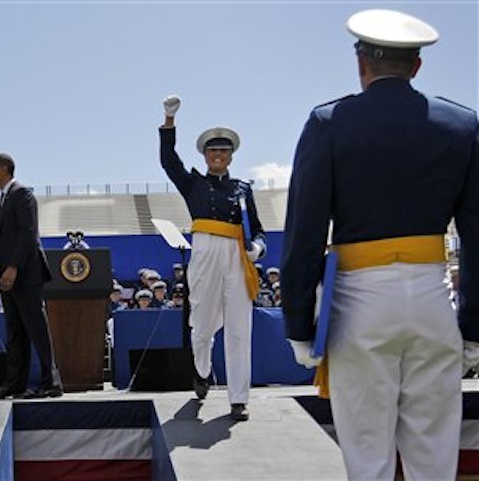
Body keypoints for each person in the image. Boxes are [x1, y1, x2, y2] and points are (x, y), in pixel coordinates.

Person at [280, 9, 479, 479]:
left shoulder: (329, 123)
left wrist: (298, 322)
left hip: (360, 300)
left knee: (367, 453)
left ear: (361, 64)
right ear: (417, 66)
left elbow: (304, 231)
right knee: (434, 453)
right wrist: (473, 325)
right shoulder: (463, 126)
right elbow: (475, 234)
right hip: (433, 295)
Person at [159, 95, 266, 421]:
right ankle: (202, 371)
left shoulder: (242, 188)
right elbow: (168, 161)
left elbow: (259, 231)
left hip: (236, 255)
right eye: (212, 151)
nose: (218, 156)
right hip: (204, 251)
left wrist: (257, 249)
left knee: (238, 328)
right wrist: (169, 122)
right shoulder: (193, 183)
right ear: (205, 156)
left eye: (223, 151)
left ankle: (238, 398)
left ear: (231, 155)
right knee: (201, 324)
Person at [0, 153, 63, 399]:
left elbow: (28, 234)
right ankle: (14, 384)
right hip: (9, 279)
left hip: (26, 275)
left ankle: (51, 383)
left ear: (5, 169)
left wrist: (13, 266)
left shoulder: (21, 194)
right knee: (15, 332)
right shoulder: (6, 198)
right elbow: (8, 240)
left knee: (36, 329)